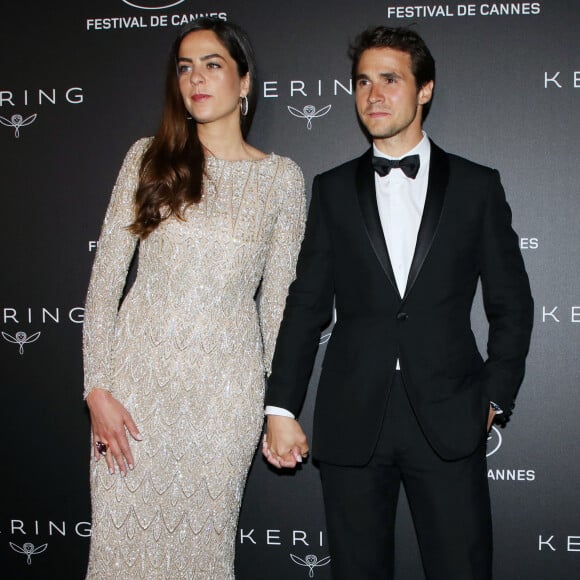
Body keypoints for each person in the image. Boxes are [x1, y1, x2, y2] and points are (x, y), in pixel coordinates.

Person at [263, 26, 533, 580]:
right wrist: (281, 408)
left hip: (451, 418)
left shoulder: (477, 186)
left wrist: (492, 399)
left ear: (425, 89)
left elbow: (512, 303)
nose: (374, 94)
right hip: (353, 419)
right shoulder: (333, 189)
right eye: (363, 81)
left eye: (390, 79)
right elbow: (306, 303)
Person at [83, 18, 305, 579]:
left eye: (213, 65)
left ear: (244, 82)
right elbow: (105, 282)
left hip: (223, 400)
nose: (196, 79)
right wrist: (96, 389)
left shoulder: (282, 181)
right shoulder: (146, 158)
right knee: (117, 553)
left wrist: (279, 408)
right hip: (133, 394)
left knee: (202, 559)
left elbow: (278, 306)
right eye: (185, 68)